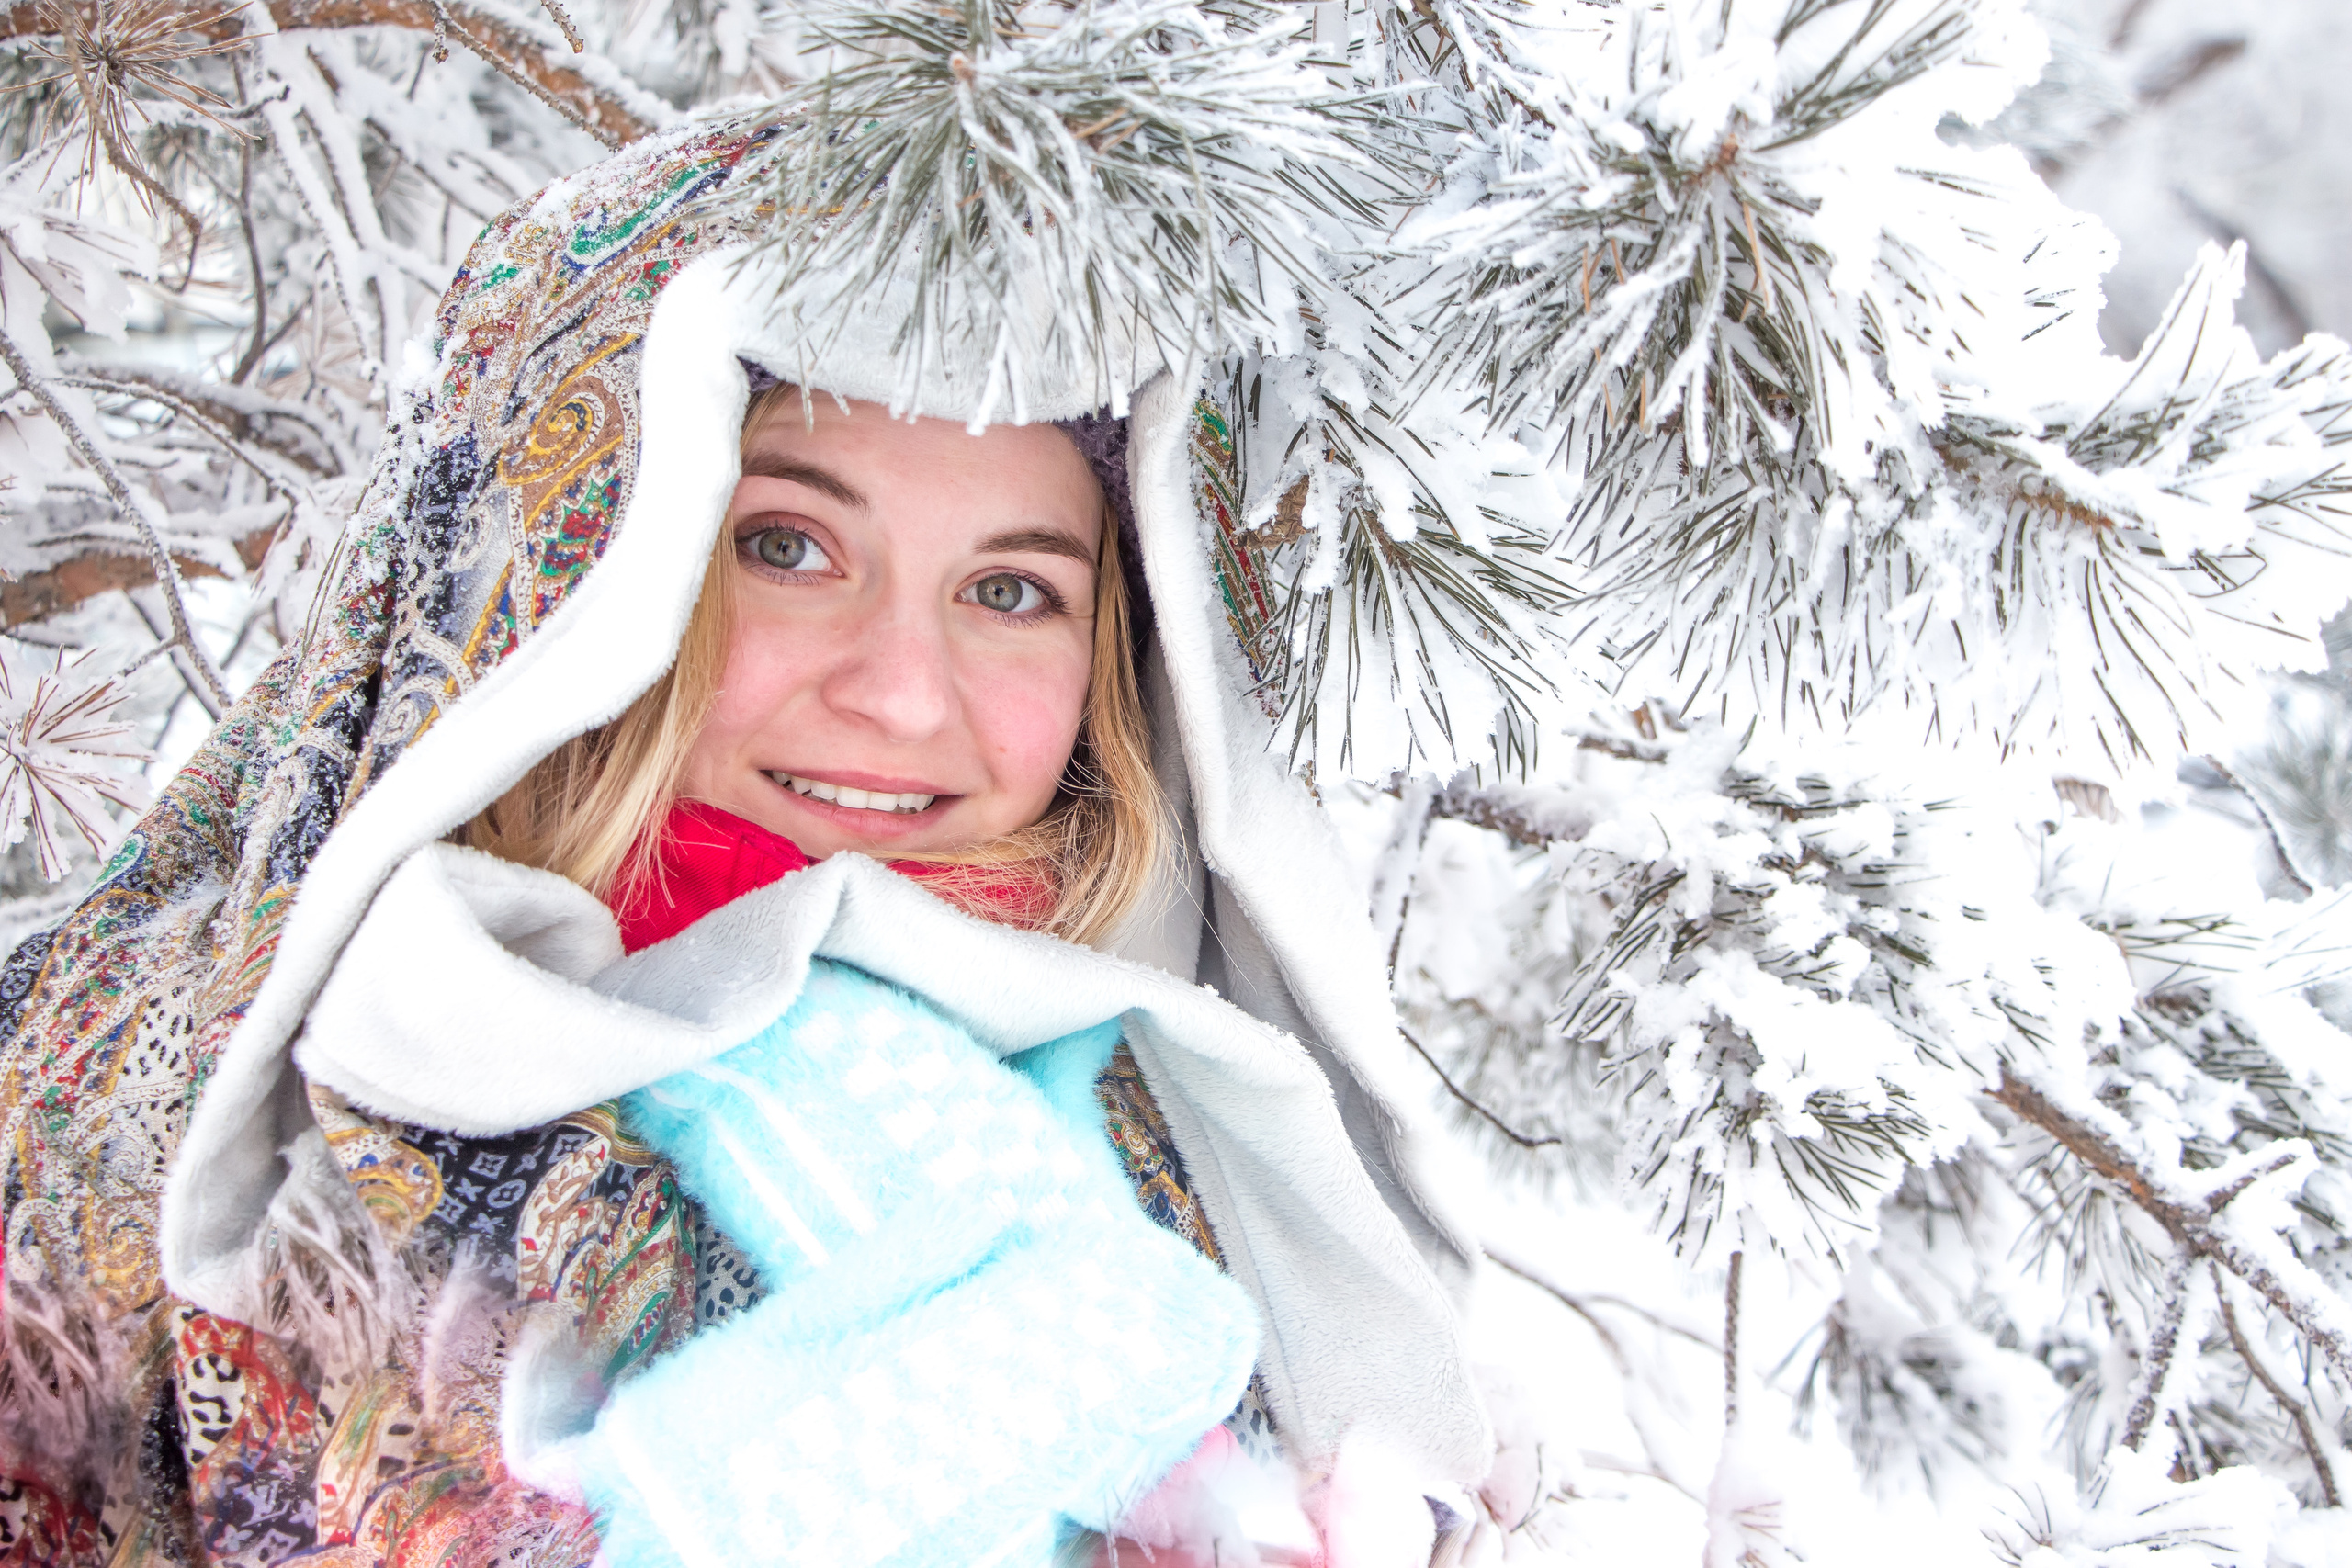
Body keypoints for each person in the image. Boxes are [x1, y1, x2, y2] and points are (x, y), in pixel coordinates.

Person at [0, 118, 1488, 1565]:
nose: (903, 696)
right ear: (576, 561)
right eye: (787, 547)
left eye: (1014, 589)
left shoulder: (1196, 1139)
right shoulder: (190, 1097)